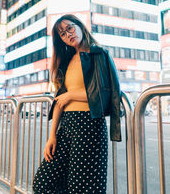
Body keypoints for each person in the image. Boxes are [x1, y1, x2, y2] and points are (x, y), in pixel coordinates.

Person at [33, 14, 122, 194]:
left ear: (80, 26)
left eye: (70, 28)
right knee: (43, 183)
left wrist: (72, 95)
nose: (68, 35)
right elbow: (59, 101)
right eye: (62, 34)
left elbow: (106, 94)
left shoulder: (99, 54)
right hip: (66, 126)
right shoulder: (66, 61)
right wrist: (52, 136)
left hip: (89, 125)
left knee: (80, 188)